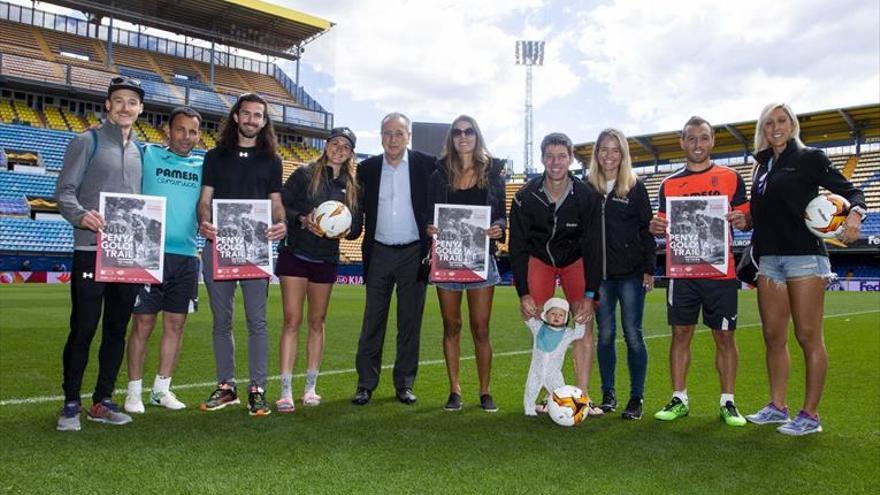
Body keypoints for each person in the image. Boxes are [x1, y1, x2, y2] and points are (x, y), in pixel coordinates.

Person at [745, 103, 866, 436]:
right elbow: (768, 210)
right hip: (769, 260)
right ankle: (776, 406)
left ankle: (810, 415)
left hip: (805, 258)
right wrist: (747, 218)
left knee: (807, 336)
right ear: (763, 130)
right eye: (768, 123)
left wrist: (855, 214)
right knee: (773, 336)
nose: (775, 127)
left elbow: (851, 190)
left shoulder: (810, 157)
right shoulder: (762, 166)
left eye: (781, 120)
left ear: (792, 124)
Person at [54, 76, 145, 431]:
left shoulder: (143, 151)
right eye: (118, 100)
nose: (125, 107)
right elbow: (64, 193)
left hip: (128, 254)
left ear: (141, 109)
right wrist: (81, 215)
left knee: (117, 329)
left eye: (132, 102)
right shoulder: (86, 141)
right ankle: (71, 404)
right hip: (91, 249)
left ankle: (103, 400)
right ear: (108, 105)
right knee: (84, 327)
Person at [649, 116, 750, 427]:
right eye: (691, 138)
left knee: (725, 337)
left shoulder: (731, 178)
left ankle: (728, 402)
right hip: (682, 272)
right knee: (680, 334)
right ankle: (679, 398)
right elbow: (661, 224)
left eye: (703, 138)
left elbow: (747, 217)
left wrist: (741, 219)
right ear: (682, 143)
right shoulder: (669, 184)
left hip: (721, 272)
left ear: (712, 141)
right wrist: (655, 227)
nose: (697, 144)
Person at [197, 93, 287, 416]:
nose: (251, 120)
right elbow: (205, 198)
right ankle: (226, 387)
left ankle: (257, 390)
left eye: (258, 115)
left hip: (255, 249)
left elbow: (275, 202)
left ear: (264, 122)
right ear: (236, 117)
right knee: (222, 320)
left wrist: (281, 224)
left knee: (257, 321)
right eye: (246, 113)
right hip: (218, 247)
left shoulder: (272, 160)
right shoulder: (214, 156)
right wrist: (204, 221)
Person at [508, 132, 603, 416]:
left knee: (585, 322)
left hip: (576, 259)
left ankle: (582, 398)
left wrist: (590, 294)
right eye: (550, 156)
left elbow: (595, 247)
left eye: (562, 156)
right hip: (540, 259)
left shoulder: (587, 196)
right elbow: (517, 247)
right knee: (534, 318)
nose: (556, 162)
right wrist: (523, 292)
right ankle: (550, 396)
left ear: (571, 158)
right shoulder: (525, 196)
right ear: (542, 159)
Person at [275, 127, 363, 413]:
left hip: (326, 257)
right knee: (291, 320)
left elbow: (357, 228)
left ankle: (310, 387)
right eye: (335, 143)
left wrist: (348, 231)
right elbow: (281, 207)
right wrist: (302, 218)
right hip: (296, 254)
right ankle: (285, 390)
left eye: (345, 146)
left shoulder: (353, 186)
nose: (339, 149)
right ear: (326, 146)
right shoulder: (304, 173)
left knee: (317, 321)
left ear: (350, 153)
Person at [123, 106, 204, 414]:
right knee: (142, 323)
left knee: (176, 324)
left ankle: (161, 389)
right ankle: (134, 391)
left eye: (193, 131)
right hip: (147, 252)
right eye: (181, 130)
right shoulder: (148, 155)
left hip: (185, 256)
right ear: (167, 131)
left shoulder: (204, 164)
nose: (187, 137)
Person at [352, 112, 436, 406]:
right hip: (379, 251)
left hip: (414, 253)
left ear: (408, 136)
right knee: (372, 321)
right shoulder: (367, 168)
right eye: (388, 133)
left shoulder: (428, 164)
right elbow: (357, 210)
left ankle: (404, 383)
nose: (393, 139)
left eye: (399, 133)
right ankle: (365, 383)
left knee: (409, 323)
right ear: (380, 136)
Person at [426, 115, 506, 412]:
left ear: (477, 135)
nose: (463, 136)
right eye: (458, 132)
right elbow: (429, 214)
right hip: (448, 258)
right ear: (452, 138)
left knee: (480, 328)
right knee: (451, 326)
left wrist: (498, 227)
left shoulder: (493, 172)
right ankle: (455, 390)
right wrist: (429, 228)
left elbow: (500, 215)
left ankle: (485, 391)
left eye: (469, 131)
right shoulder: (439, 174)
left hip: (480, 259)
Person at [585, 128, 655, 420]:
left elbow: (647, 230)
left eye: (615, 150)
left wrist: (650, 268)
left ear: (623, 154)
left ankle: (636, 397)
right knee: (605, 336)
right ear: (597, 153)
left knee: (633, 335)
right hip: (600, 277)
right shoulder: (587, 187)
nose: (609, 156)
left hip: (630, 274)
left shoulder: (635, 186)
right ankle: (608, 393)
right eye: (604, 149)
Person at [522, 298, 587, 416]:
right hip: (536, 372)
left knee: (561, 394)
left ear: (566, 318)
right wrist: (526, 309)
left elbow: (579, 333)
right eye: (553, 314)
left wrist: (579, 322)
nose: (557, 317)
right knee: (530, 390)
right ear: (545, 315)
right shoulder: (538, 327)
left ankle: (564, 413)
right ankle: (529, 410)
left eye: (561, 315)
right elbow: (528, 319)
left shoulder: (567, 333)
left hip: (554, 374)